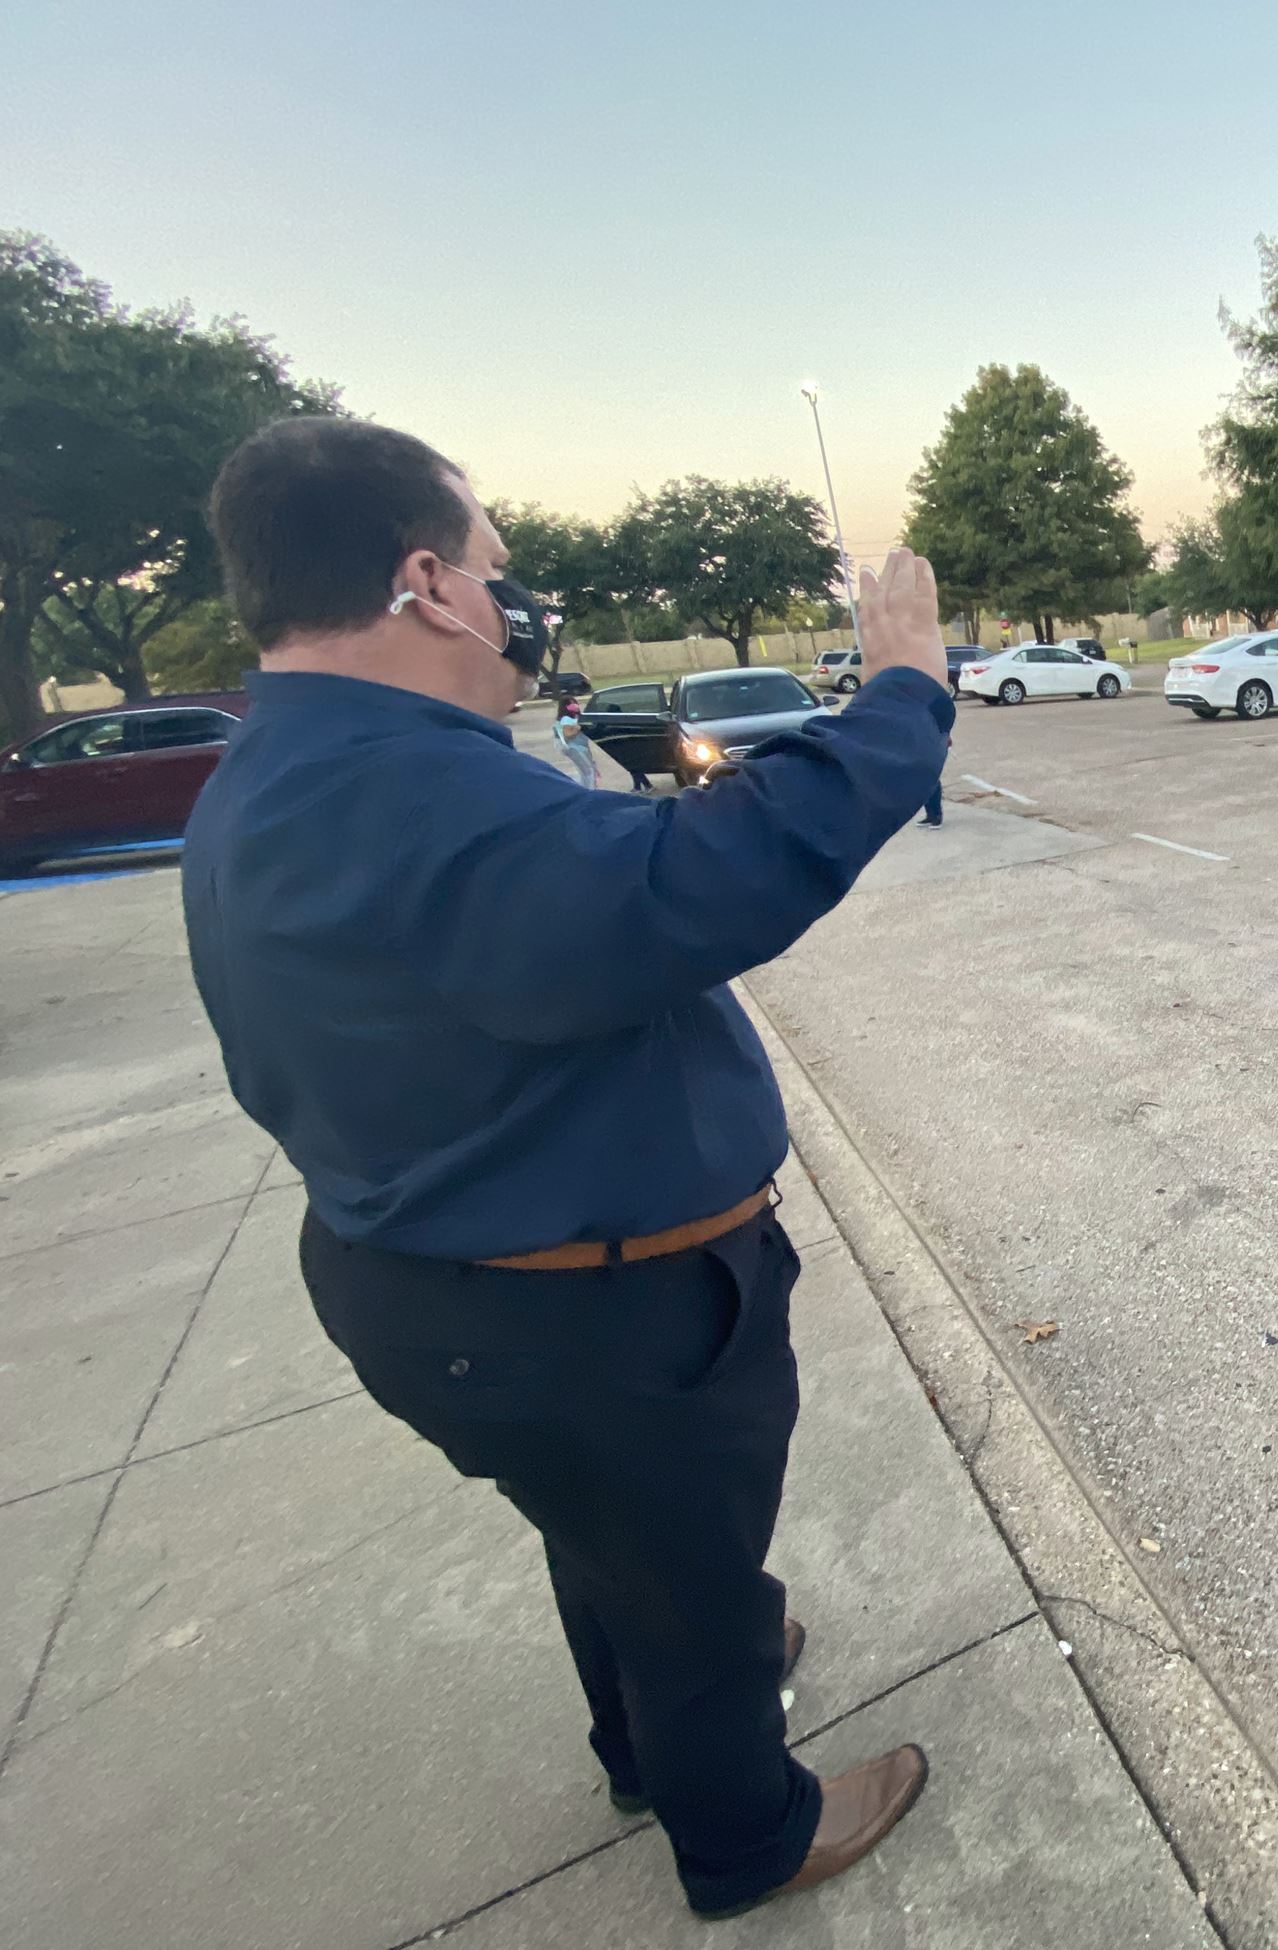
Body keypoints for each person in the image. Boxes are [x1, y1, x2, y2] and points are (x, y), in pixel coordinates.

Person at [182, 418, 950, 1921]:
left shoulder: (288, 772)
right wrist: (905, 693)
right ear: (426, 585)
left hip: (450, 1282)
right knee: (689, 1564)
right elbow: (703, 876)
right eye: (496, 564)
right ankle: (746, 1827)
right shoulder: (408, 798)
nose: (516, 597)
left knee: (609, 1537)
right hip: (587, 1311)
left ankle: (646, 1727)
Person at [550, 693, 600, 789]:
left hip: (579, 748)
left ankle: (586, 789)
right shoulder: (566, 719)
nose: (574, 705)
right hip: (575, 748)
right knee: (589, 771)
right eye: (570, 703)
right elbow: (568, 735)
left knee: (584, 771)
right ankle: (590, 791)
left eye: (574, 702)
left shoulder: (572, 718)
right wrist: (577, 728)